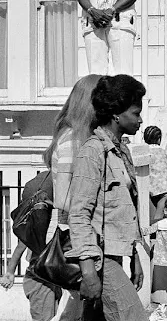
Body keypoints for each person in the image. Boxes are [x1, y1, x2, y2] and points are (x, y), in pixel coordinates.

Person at [67, 74, 146, 320]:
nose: (141, 120)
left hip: (115, 254)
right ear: (116, 114)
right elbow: (79, 214)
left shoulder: (120, 151)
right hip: (99, 260)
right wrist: (89, 272)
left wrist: (134, 256)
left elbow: (124, 213)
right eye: (135, 113)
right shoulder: (92, 151)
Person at [41, 73, 102, 320]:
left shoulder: (84, 138)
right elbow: (64, 199)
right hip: (72, 238)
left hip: (80, 236)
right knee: (77, 309)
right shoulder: (70, 141)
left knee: (81, 309)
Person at [0, 171, 62, 321]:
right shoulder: (42, 219)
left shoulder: (43, 220)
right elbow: (22, 245)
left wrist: (10, 271)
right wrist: (9, 271)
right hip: (40, 278)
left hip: (50, 278)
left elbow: (21, 246)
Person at [144, 125, 167, 221]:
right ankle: (157, 220)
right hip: (163, 183)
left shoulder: (145, 150)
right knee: (164, 200)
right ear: (158, 139)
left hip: (150, 182)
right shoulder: (160, 150)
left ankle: (153, 221)